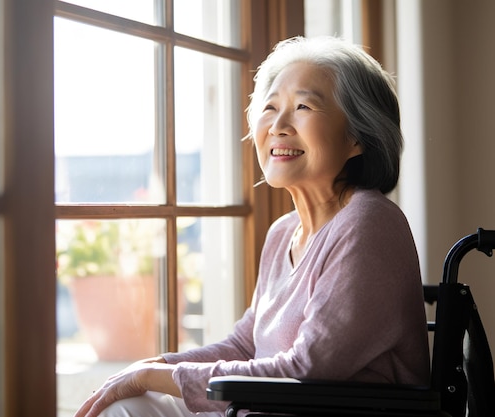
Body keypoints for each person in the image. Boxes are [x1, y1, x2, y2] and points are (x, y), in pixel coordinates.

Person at [74, 36, 430, 417]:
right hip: (260, 410)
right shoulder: (282, 233)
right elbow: (246, 345)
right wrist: (153, 366)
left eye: (303, 106)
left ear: (358, 136)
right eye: (270, 107)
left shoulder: (369, 223)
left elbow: (308, 369)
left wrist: (157, 376)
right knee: (128, 406)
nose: (278, 125)